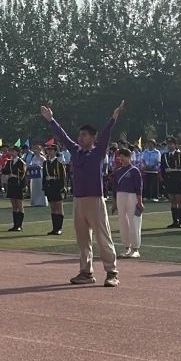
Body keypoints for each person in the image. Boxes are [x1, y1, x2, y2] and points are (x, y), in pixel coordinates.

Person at [42, 101, 125, 288]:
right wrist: (51, 120)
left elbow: (106, 135)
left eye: (84, 135)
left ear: (93, 137)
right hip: (78, 200)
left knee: (103, 237)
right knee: (82, 239)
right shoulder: (75, 151)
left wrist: (113, 118)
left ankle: (112, 272)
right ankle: (86, 272)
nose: (80, 138)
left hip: (95, 200)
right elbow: (63, 136)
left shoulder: (98, 152)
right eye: (79, 135)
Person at [112, 149, 144, 258]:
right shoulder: (118, 171)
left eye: (123, 156)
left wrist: (140, 201)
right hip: (120, 195)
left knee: (134, 221)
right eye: (120, 156)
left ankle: (135, 249)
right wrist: (114, 203)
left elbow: (139, 187)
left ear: (129, 157)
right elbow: (115, 187)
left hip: (132, 196)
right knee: (122, 221)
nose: (121, 159)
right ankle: (127, 247)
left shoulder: (135, 170)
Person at [160, 138, 181, 228]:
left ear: (175, 145)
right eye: (168, 144)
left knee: (180, 200)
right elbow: (162, 168)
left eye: (171, 144)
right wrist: (164, 179)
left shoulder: (180, 155)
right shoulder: (164, 155)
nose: (169, 146)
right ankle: (175, 221)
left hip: (178, 180)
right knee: (172, 201)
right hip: (169, 180)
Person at [44, 145, 69, 235]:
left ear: (55, 151)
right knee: (53, 208)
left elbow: (63, 177)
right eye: (48, 150)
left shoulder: (59, 163)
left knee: (59, 207)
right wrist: (44, 187)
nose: (49, 152)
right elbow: (44, 176)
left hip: (57, 186)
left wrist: (63, 188)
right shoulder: (46, 163)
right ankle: (54, 228)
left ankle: (59, 228)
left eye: (51, 150)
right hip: (49, 186)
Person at [1, 147, 28, 231]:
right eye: (11, 151)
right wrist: (2, 165)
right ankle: (15, 225)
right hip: (11, 183)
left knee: (19, 204)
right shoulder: (9, 162)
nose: (12, 153)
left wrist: (23, 186)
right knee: (14, 205)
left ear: (17, 152)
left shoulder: (21, 162)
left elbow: (23, 175)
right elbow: (5, 171)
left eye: (13, 151)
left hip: (18, 184)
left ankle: (19, 225)